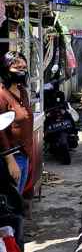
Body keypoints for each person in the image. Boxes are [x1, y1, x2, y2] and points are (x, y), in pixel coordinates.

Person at [0, 52, 34, 196]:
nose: (22, 71)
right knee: (11, 205)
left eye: (24, 68)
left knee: (17, 199)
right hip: (11, 157)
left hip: (24, 154)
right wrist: (10, 161)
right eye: (17, 68)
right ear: (6, 69)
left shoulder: (22, 91)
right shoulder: (1, 95)